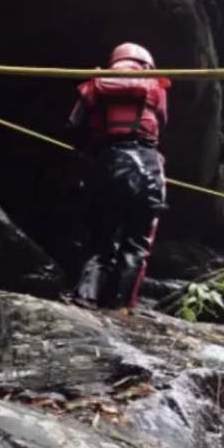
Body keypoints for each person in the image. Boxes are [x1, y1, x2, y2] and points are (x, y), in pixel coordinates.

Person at [67, 43, 170, 309]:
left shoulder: (96, 83)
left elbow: (72, 126)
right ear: (147, 64)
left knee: (102, 240)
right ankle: (121, 307)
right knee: (136, 244)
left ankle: (85, 297)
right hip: (147, 165)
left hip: (108, 162)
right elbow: (161, 124)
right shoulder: (155, 86)